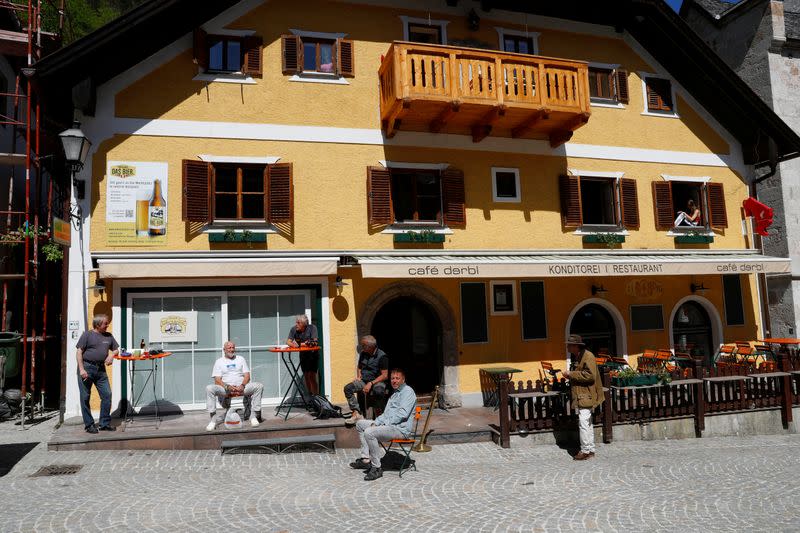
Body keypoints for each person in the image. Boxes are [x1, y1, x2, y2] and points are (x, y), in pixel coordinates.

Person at [349, 368, 416, 481]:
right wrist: (377, 422)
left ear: (403, 379)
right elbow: (386, 414)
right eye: (392, 378)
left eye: (397, 378)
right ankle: (366, 460)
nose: (394, 381)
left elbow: (402, 415)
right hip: (389, 426)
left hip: (400, 429)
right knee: (360, 424)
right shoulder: (394, 394)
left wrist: (381, 425)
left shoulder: (408, 392)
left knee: (369, 432)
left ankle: (376, 468)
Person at [561, 334, 604, 461]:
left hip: (587, 394)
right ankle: (590, 449)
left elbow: (590, 375)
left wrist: (570, 374)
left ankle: (585, 450)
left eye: (569, 345)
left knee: (584, 423)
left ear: (576, 346)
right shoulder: (578, 356)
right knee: (587, 422)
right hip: (582, 394)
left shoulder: (588, 356)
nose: (567, 347)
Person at [205, 341, 263, 431]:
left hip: (241, 388)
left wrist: (243, 385)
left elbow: (247, 375)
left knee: (259, 386)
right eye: (229, 348)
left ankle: (253, 416)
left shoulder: (240, 359)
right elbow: (217, 379)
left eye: (233, 347)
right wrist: (227, 386)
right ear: (224, 350)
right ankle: (213, 420)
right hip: (225, 389)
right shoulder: (219, 361)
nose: (232, 350)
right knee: (209, 388)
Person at [75, 314, 119, 434]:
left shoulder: (108, 336)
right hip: (87, 368)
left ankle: (104, 423)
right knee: (85, 397)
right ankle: (89, 425)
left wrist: (111, 355)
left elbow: (116, 349)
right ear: (98, 324)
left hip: (101, 370)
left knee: (107, 395)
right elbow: (79, 352)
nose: (107, 325)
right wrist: (82, 369)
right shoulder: (87, 335)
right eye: (105, 323)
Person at [343, 335, 389, 426]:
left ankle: (379, 416)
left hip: (377, 381)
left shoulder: (382, 356)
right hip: (364, 380)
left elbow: (385, 375)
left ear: (370, 347)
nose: (361, 347)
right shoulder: (363, 353)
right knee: (348, 388)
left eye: (363, 345)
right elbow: (359, 367)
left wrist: (371, 383)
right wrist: (359, 377)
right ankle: (357, 413)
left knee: (378, 391)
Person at [287, 314, 319, 396]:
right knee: (306, 376)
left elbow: (314, 342)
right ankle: (310, 395)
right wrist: (295, 345)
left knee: (312, 376)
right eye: (296, 322)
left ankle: (316, 397)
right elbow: (288, 342)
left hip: (312, 355)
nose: (296, 325)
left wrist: (300, 344)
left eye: (298, 323)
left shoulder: (312, 328)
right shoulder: (294, 329)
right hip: (303, 355)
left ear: (304, 324)